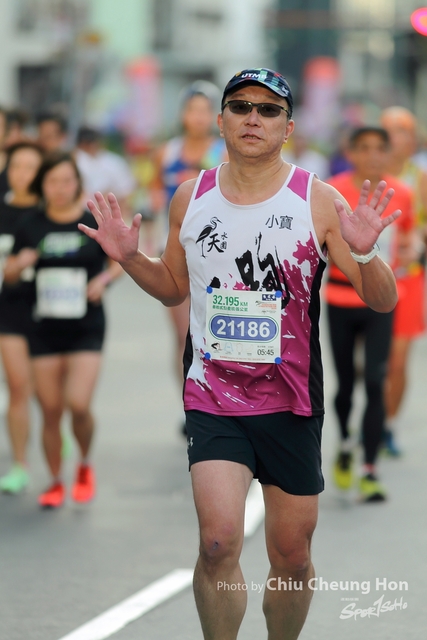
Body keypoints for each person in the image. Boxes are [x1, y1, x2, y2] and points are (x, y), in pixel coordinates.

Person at [80, 68, 400, 640]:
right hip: (213, 394)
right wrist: (129, 259)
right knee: (217, 541)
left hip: (291, 400)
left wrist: (365, 253)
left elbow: (382, 301)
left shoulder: (317, 199)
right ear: (221, 120)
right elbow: (173, 287)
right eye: (241, 106)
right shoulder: (191, 197)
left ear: (288, 127)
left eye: (269, 109)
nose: (254, 118)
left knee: (292, 555)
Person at [3, 153, 122, 508]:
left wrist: (103, 280)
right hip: (43, 326)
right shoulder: (30, 224)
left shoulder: (91, 222)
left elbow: (119, 261)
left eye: (67, 181)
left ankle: (84, 463)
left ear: (77, 184)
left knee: (78, 404)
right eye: (52, 181)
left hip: (86, 325)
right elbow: (10, 274)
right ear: (43, 186)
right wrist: (18, 265)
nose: (59, 188)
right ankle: (55, 480)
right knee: (51, 409)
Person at [324, 127, 415, 501]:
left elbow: (408, 236)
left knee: (376, 380)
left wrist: (410, 252)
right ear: (351, 152)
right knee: (346, 384)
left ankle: (370, 469)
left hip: (380, 302)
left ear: (390, 153)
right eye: (364, 148)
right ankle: (346, 441)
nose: (373, 156)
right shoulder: (331, 191)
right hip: (339, 298)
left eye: (380, 148)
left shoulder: (402, 193)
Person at [149, 81, 226, 419]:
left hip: (215, 254)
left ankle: (218, 401)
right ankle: (190, 405)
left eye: (205, 111)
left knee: (215, 333)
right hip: (176, 253)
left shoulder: (224, 153)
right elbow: (155, 196)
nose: (198, 117)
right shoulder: (166, 153)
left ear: (216, 117)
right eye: (192, 110)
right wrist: (152, 241)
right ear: (182, 115)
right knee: (184, 336)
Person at [380, 107, 426, 455]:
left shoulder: (418, 178)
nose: (397, 138)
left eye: (403, 131)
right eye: (390, 130)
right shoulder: (368, 174)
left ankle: (387, 425)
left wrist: (419, 242)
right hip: (368, 278)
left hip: (406, 280)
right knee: (369, 364)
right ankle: (372, 413)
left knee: (397, 362)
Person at [0, 141, 44, 493]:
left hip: (51, 313)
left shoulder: (53, 212)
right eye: (16, 166)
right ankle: (19, 463)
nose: (22, 174)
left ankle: (52, 423)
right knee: (17, 386)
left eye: (31, 167)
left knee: (47, 393)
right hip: (10, 308)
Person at [74, 126, 136, 220]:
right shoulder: (74, 160)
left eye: (93, 142)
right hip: (80, 213)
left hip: (110, 214)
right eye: (87, 143)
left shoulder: (114, 162)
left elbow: (126, 192)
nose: (91, 146)